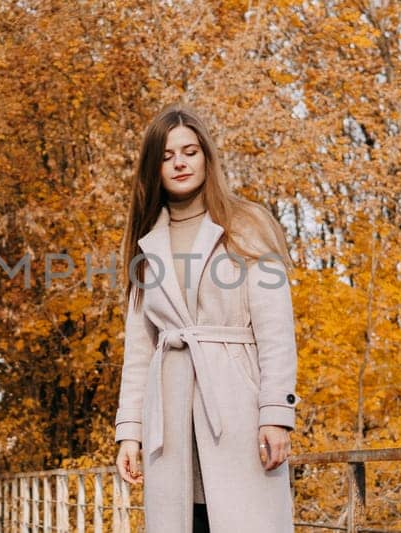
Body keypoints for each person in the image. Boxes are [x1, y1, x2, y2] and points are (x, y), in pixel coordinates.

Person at [113, 105, 300, 532]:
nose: (179, 162)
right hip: (171, 418)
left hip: (237, 409)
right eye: (166, 155)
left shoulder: (245, 225)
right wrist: (130, 432)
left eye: (189, 151)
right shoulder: (147, 245)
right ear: (153, 168)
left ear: (206, 158)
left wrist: (275, 414)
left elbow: (275, 330)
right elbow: (139, 351)